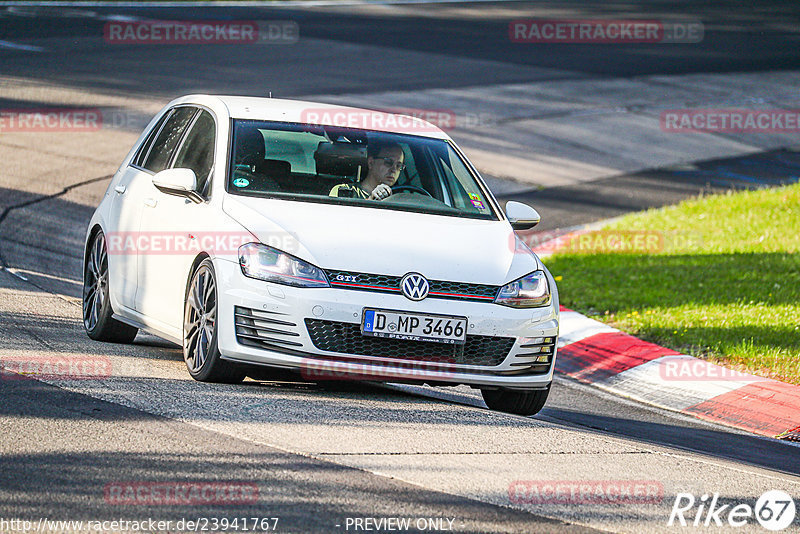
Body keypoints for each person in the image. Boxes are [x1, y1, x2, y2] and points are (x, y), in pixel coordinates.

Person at [329, 141, 405, 200]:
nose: (394, 170)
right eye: (388, 162)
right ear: (371, 163)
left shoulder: (400, 200)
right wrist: (371, 200)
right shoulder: (344, 191)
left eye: (399, 165)